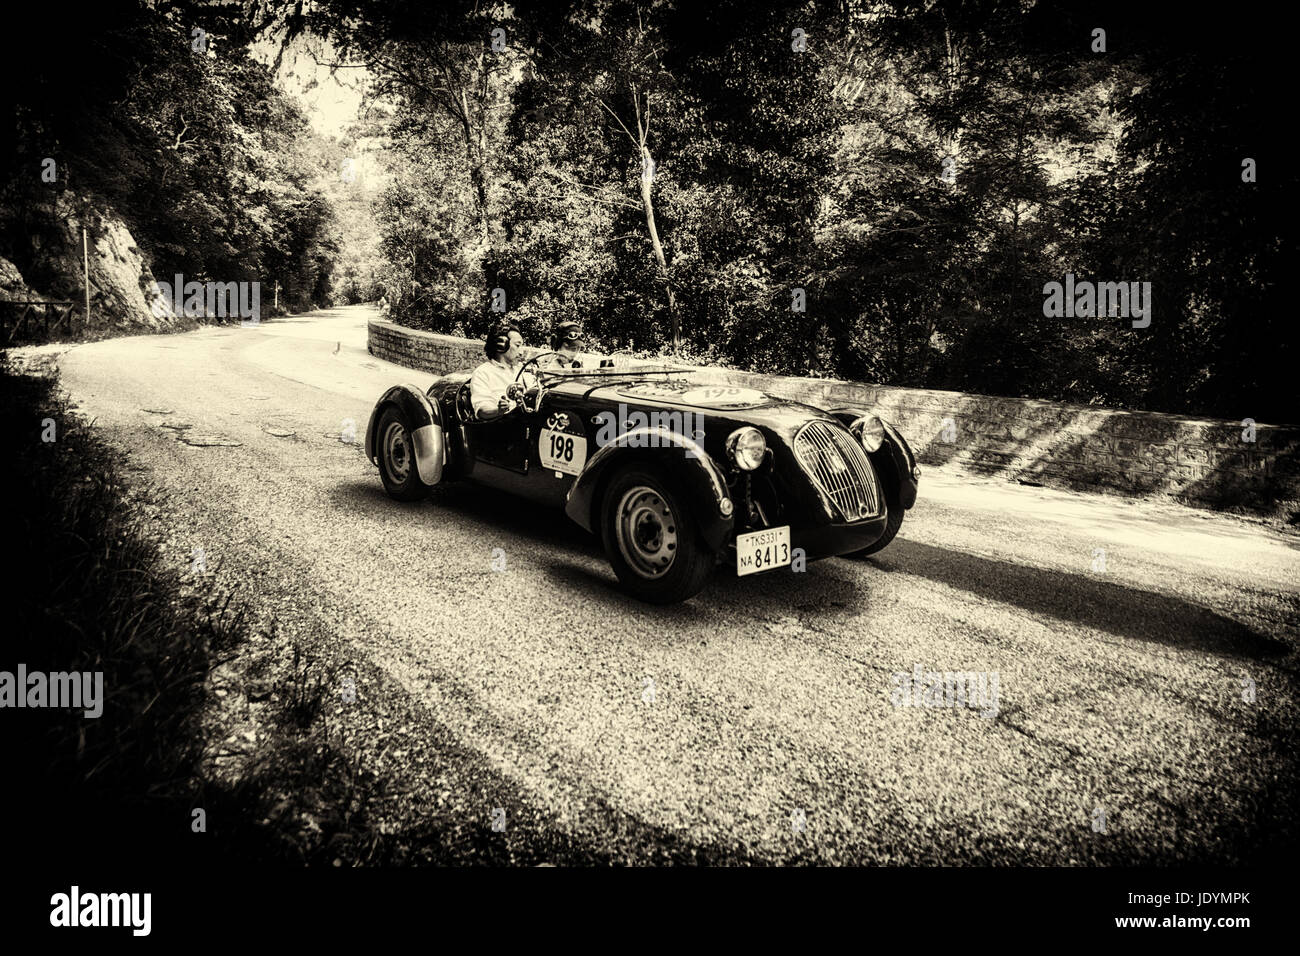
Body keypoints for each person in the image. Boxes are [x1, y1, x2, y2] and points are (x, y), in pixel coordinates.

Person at [470, 323, 525, 420]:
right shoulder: (483, 372)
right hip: (501, 427)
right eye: (517, 345)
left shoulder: (522, 370)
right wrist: (498, 411)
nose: (521, 352)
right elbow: (481, 409)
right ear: (501, 345)